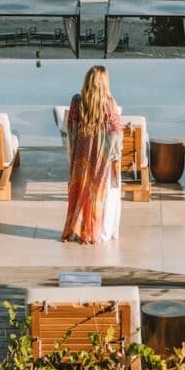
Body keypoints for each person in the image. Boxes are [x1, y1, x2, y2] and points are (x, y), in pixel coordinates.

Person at [61, 65, 123, 244]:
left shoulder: (77, 101)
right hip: (102, 161)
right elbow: (116, 133)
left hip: (81, 159)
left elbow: (70, 128)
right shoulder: (109, 104)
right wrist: (114, 156)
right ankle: (98, 232)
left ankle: (78, 228)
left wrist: (74, 153)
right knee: (102, 196)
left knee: (80, 192)